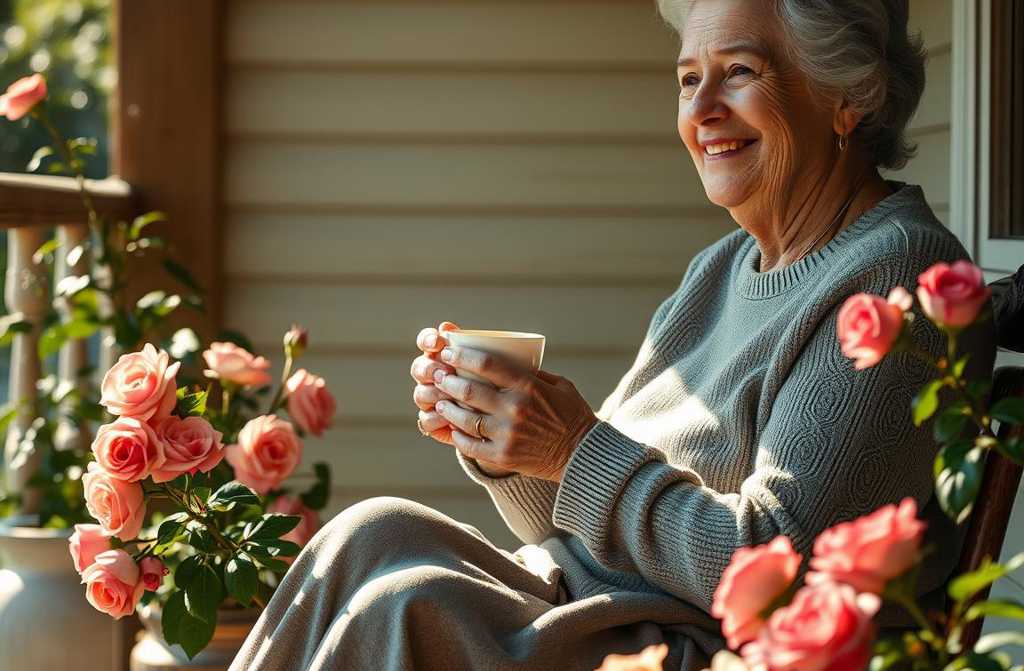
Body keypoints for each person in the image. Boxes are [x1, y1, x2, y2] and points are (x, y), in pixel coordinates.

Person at [229, 1, 995, 669]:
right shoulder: (722, 269)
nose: (702, 110)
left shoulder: (898, 275)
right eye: (689, 79)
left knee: (412, 603)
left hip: (696, 648)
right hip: (600, 606)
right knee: (371, 531)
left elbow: (779, 574)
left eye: (739, 72)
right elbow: (600, 524)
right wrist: (507, 442)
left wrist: (572, 448)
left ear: (846, 95)